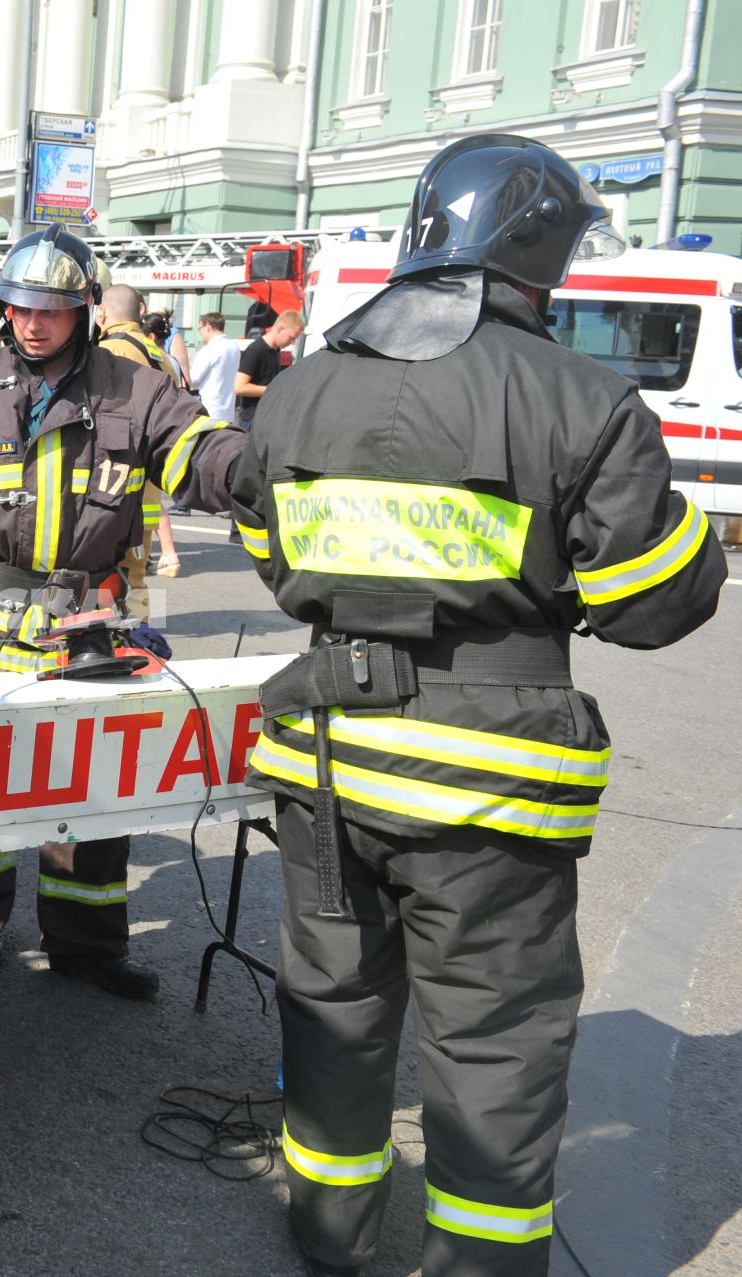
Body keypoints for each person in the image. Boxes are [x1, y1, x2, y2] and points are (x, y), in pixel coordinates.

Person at [230, 135, 728, 1277]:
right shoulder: (584, 398)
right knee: (493, 1041)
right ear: (537, 249)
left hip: (326, 761)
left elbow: (271, 550)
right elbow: (652, 603)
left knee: (334, 1004)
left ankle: (330, 1233)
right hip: (489, 780)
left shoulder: (304, 384)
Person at [0, 225, 247, 1001]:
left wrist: (255, 469)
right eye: (22, 308)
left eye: (54, 310)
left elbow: (199, 451)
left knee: (95, 793)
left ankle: (87, 944)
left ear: (86, 311)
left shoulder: (134, 392)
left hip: (86, 625)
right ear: (2, 308)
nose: (35, 324)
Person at [95, 284, 185, 603]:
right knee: (134, 576)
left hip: (115, 483)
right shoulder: (160, 355)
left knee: (110, 581)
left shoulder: (110, 350)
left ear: (102, 313)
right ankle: (138, 638)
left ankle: (124, 642)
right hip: (148, 483)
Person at [235, 309, 302, 426]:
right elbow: (239, 387)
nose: (292, 342)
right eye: (291, 337)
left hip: (266, 416)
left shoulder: (275, 350)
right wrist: (273, 389)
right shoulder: (256, 350)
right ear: (280, 329)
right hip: (252, 419)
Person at [189, 311, 240, 427]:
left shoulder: (209, 349)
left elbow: (193, 379)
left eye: (200, 328)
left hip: (210, 410)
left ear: (208, 327)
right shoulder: (234, 347)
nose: (200, 333)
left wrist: (185, 365)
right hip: (228, 411)